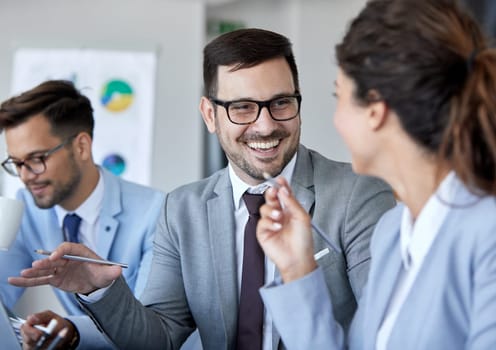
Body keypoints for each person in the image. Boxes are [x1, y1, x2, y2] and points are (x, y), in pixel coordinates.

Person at [8, 29, 396, 349]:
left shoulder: (358, 194)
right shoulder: (182, 209)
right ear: (210, 115)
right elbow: (158, 339)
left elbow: (384, 335)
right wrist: (102, 290)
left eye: (280, 103)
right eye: (242, 107)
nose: (265, 126)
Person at [256, 0, 496, 349]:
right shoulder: (392, 232)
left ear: (375, 111)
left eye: (339, 96)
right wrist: (296, 268)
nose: (335, 119)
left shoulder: (488, 236)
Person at [0, 80, 165, 349]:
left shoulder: (157, 213)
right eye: (17, 163)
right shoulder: (27, 209)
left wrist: (74, 330)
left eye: (38, 158)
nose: (26, 176)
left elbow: (149, 328)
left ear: (81, 147)